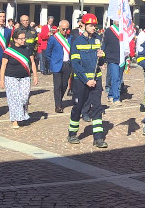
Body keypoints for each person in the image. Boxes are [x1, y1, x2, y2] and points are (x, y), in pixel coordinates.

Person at [67, 13, 108, 148]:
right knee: (78, 107)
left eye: (95, 25)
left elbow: (100, 62)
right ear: (83, 25)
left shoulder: (98, 40)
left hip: (96, 79)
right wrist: (86, 80)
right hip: (81, 80)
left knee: (97, 107)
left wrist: (102, 57)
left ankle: (98, 138)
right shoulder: (77, 42)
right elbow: (75, 64)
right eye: (90, 25)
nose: (93, 28)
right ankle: (72, 134)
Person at [0, 29, 38, 129]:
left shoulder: (28, 49)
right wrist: (1, 80)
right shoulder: (9, 51)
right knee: (14, 98)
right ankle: (15, 120)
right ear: (15, 39)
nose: (23, 40)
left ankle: (22, 115)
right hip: (11, 77)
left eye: (24, 38)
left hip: (25, 77)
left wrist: (35, 76)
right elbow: (3, 65)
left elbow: (32, 62)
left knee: (24, 98)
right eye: (21, 38)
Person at [45, 20, 72, 113]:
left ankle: (59, 99)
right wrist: (51, 62)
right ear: (59, 28)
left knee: (64, 85)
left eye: (67, 29)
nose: (65, 31)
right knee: (57, 85)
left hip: (67, 64)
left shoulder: (70, 38)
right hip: (57, 64)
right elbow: (48, 52)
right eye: (63, 29)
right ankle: (58, 105)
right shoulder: (53, 38)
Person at [103, 19, 124, 106]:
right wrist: (103, 58)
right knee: (115, 78)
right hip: (112, 57)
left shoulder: (124, 30)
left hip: (122, 58)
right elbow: (105, 44)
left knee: (119, 78)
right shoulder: (109, 30)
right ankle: (116, 98)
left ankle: (111, 94)